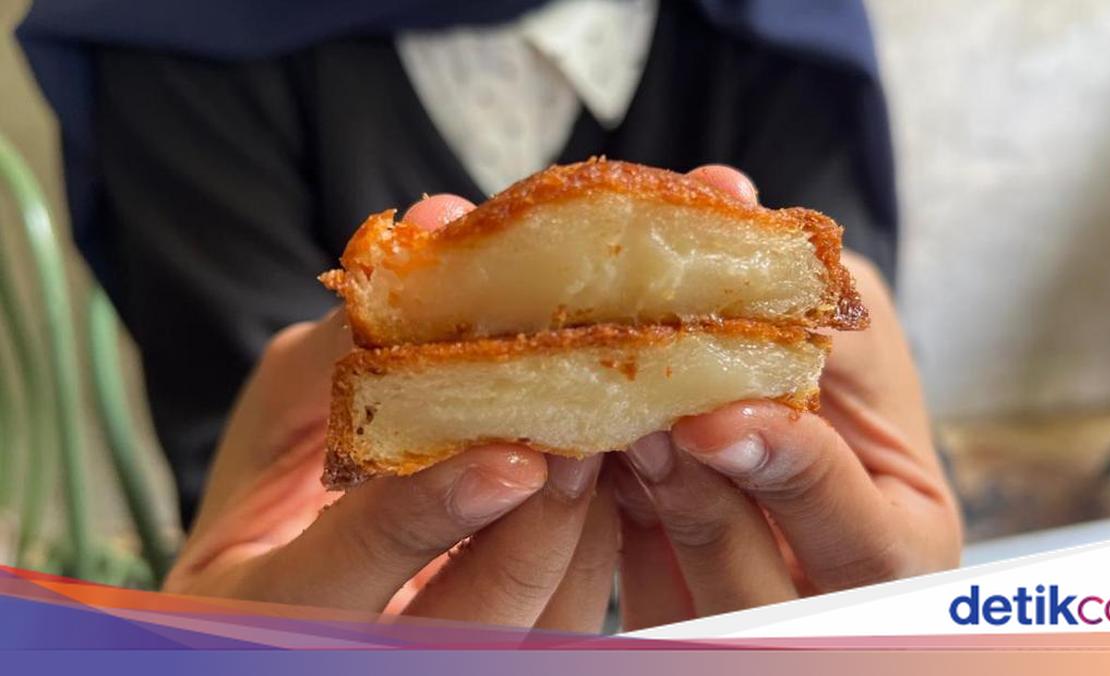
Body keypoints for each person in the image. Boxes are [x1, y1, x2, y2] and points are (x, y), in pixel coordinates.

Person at [19, 0, 960, 627]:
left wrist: (914, 597)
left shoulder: (788, 30)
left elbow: (841, 402)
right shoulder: (166, 33)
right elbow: (256, 480)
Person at [164, 166, 960, 630]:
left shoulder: (785, 30)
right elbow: (218, 386)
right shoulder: (171, 39)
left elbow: (840, 289)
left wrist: (912, 551)